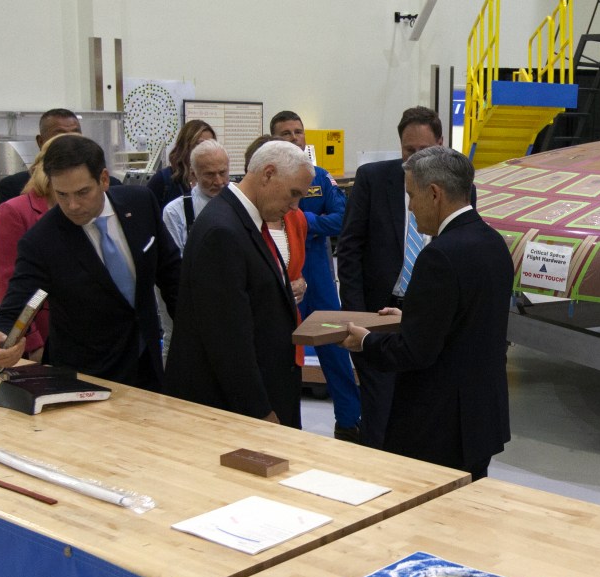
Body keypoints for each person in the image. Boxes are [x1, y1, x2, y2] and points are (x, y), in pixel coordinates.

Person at [343, 146, 511, 478]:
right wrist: (413, 316)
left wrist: (366, 342)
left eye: (411, 195)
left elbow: (416, 352)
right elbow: (468, 319)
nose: (409, 206)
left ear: (434, 193)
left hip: (439, 426)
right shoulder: (493, 243)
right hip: (480, 418)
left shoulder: (439, 256)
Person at [0, 136, 179, 388]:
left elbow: (173, 276)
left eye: (82, 192)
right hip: (86, 377)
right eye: (62, 194)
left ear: (104, 179)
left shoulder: (140, 204)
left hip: (148, 364)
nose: (73, 205)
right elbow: (20, 304)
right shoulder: (42, 242)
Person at [163, 139, 312, 425]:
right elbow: (228, 340)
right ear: (268, 174)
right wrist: (259, 410)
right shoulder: (224, 231)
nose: (295, 206)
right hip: (234, 410)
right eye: (293, 194)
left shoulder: (240, 219)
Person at [337, 106, 444, 446]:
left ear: (440, 143)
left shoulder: (457, 188)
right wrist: (356, 312)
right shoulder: (372, 179)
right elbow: (350, 248)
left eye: (424, 151)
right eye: (408, 151)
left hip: (425, 316)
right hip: (377, 315)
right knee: (379, 412)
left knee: (422, 412)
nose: (416, 159)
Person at [270, 109, 361, 441]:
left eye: (298, 132)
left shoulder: (321, 178)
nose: (294, 138)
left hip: (319, 283)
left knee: (335, 354)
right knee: (281, 358)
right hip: (281, 284)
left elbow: (341, 219)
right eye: (285, 134)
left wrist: (302, 223)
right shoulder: (268, 184)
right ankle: (284, 427)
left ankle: (350, 422)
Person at [0, 131, 77, 359]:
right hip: (39, 333)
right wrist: (32, 342)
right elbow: (9, 284)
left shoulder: (80, 210)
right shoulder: (14, 212)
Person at [160, 138, 233, 250]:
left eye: (222, 173)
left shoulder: (242, 201)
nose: (218, 182)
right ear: (193, 174)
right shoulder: (175, 212)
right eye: (210, 175)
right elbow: (175, 262)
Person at [0, 109, 83, 202]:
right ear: (41, 142)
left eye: (75, 134)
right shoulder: (14, 186)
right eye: (59, 135)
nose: (69, 141)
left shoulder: (95, 179)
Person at [147, 117, 218, 210]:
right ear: (185, 147)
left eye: (210, 145)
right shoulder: (163, 181)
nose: (206, 150)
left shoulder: (216, 181)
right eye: (200, 144)